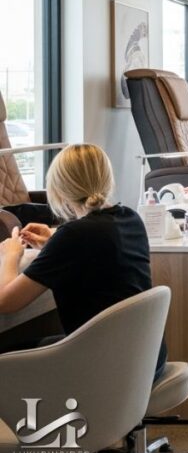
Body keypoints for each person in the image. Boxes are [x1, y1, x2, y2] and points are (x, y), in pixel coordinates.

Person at [0, 144, 166, 380]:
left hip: (104, 367)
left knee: (6, 356)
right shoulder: (130, 217)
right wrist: (52, 243)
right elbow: (98, 256)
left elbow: (6, 301)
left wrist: (10, 255)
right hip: (145, 359)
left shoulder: (73, 236)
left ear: (58, 190)